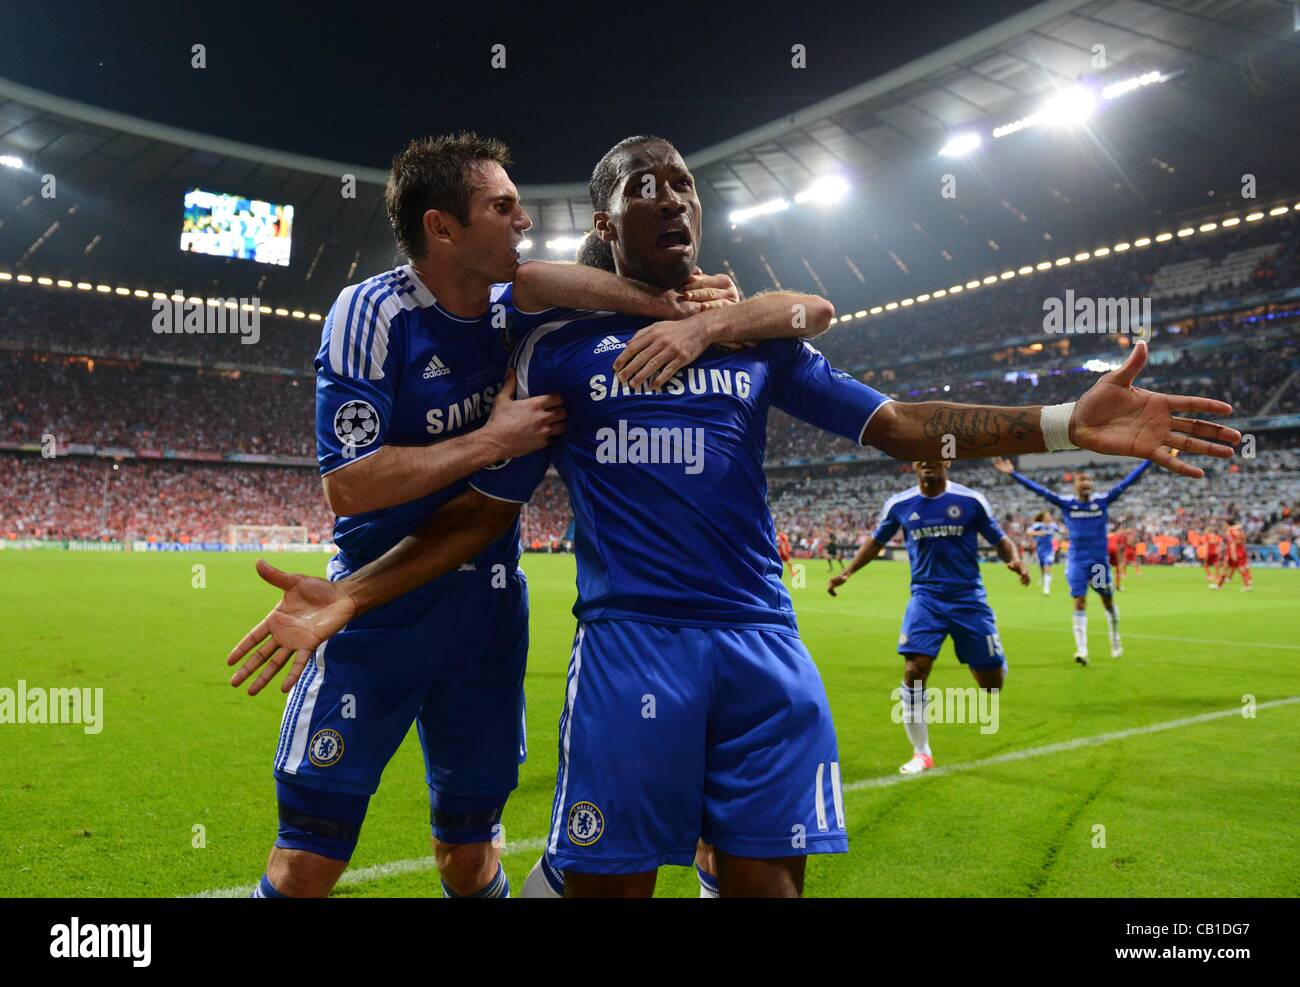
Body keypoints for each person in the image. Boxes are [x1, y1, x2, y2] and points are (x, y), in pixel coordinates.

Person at [227, 135, 1238, 897]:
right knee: (604, 886)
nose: (670, 197)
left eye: (683, 184)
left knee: (766, 887)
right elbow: (479, 514)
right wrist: (349, 596)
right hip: (630, 652)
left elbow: (899, 427)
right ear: (606, 223)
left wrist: (1061, 419)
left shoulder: (757, 342)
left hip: (761, 646)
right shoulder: (555, 351)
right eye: (642, 186)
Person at [233, 132, 746, 900]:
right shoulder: (372, 312)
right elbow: (351, 483)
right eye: (503, 207)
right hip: (373, 607)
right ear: (442, 228)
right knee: (308, 860)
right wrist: (490, 441)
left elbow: (559, 280)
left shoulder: (518, 313)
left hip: (487, 618)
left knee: (467, 855)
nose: (524, 222)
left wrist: (686, 310)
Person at [827, 461, 1029, 773]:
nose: (928, 462)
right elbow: (876, 542)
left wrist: (1014, 560)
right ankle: (922, 752)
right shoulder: (899, 504)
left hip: (968, 598)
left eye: (935, 456)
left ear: (946, 461)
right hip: (926, 598)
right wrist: (846, 573)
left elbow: (1000, 539)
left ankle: (994, 659)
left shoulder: (970, 501)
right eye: (921, 457)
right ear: (914, 464)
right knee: (914, 671)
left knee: (991, 685)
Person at [993, 459, 1152, 664]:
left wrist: (1149, 461)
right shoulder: (1068, 504)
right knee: (1079, 601)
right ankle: (1082, 650)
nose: (1086, 483)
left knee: (1107, 601)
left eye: (1088, 481)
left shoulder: (1102, 501)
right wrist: (1013, 474)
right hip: (1077, 561)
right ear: (1076, 485)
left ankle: (1114, 636)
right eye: (1082, 481)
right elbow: (1041, 491)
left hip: (1098, 564)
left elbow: (1130, 481)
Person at [1025, 510, 1061, 595]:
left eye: (1050, 516)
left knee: (1047, 565)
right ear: (1043, 518)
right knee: (1042, 567)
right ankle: (1042, 578)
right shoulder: (1038, 525)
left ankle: (1046, 589)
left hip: (1049, 550)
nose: (1049, 517)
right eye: (1047, 516)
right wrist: (1038, 533)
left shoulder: (1053, 526)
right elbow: (1028, 532)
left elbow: (1061, 531)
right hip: (1040, 550)